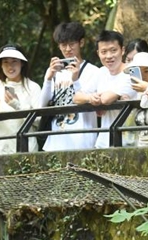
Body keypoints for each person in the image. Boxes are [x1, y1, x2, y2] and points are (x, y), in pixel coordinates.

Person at [39, 22, 99, 152]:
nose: (67, 49)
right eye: (63, 45)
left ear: (81, 43)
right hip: (55, 141)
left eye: (72, 44)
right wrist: (48, 78)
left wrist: (75, 78)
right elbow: (42, 105)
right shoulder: (56, 72)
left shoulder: (93, 71)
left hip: (83, 141)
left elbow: (84, 101)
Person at [74, 30, 138, 149]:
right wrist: (89, 97)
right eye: (104, 52)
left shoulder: (133, 72)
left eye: (113, 50)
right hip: (103, 141)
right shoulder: (101, 72)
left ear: (122, 50)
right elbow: (76, 97)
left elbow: (107, 99)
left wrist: (96, 98)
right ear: (98, 53)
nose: (109, 56)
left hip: (129, 142)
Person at [0, 44, 42, 155]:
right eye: (5, 62)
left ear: (22, 63)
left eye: (14, 61)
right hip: (3, 148)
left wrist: (17, 105)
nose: (10, 66)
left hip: (27, 148)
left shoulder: (33, 87)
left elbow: (39, 121)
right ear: (1, 65)